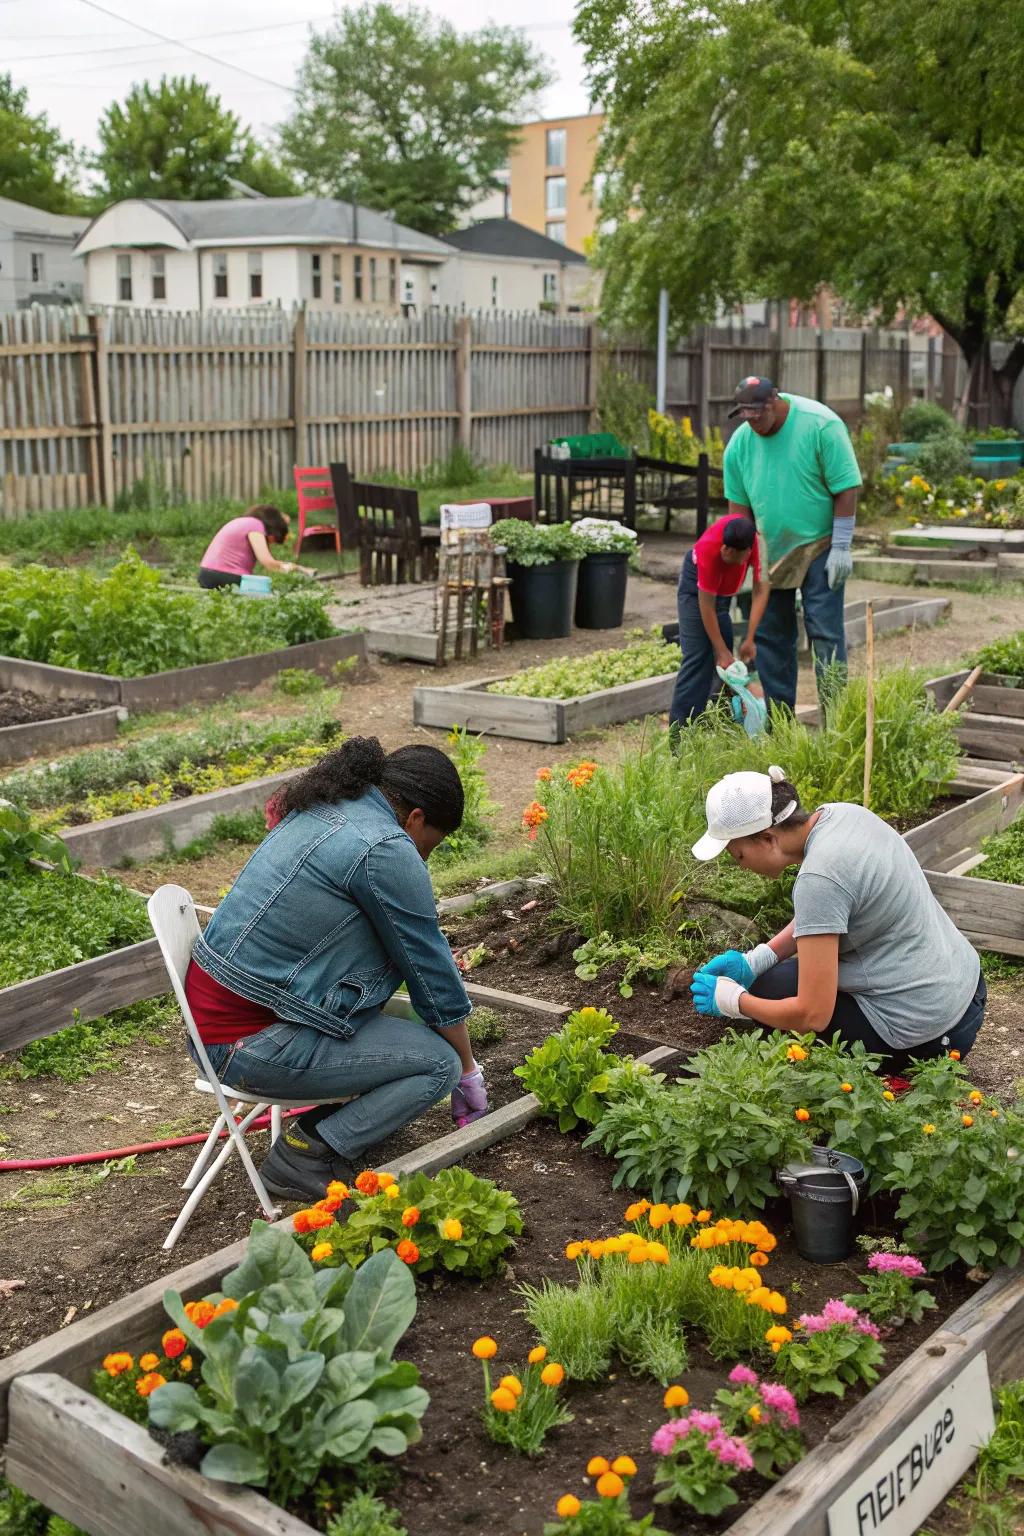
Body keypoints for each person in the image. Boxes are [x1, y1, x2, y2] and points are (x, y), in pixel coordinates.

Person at [183, 737, 486, 1201]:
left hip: (213, 1022)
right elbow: (431, 971)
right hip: (249, 1043)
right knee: (436, 1064)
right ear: (416, 818)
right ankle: (304, 1152)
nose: (425, 856)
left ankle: (330, 1126)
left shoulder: (327, 808)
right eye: (432, 844)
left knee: (401, 1021)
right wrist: (467, 1069)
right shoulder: (384, 847)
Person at [688, 766, 986, 1070]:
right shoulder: (842, 816)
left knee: (768, 1002)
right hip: (960, 987)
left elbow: (811, 1015)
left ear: (767, 838)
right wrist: (758, 959)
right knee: (770, 982)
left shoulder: (819, 879)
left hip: (932, 1033)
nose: (741, 867)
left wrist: (733, 1001)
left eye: (739, 856)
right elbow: (826, 913)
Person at [723, 377, 862, 715]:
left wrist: (842, 544)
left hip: (821, 543)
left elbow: (846, 488)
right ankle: (780, 722)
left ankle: (836, 717)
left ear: (774, 401)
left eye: (758, 414)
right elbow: (738, 514)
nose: (752, 422)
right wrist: (743, 563)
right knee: (771, 637)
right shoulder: (740, 446)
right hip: (770, 549)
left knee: (825, 632)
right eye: (745, 416)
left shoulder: (820, 425)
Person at [669, 510, 771, 729]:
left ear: (746, 553)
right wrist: (722, 651)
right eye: (725, 547)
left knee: (727, 669)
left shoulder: (757, 545)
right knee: (698, 657)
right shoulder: (710, 550)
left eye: (732, 551)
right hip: (694, 590)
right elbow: (706, 607)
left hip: (724, 596)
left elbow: (761, 590)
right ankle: (681, 733)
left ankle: (719, 726)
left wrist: (750, 638)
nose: (725, 551)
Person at [197, 503, 318, 589]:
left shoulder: (242, 522)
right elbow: (267, 562)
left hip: (205, 574)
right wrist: (298, 569)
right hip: (227, 577)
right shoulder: (255, 525)